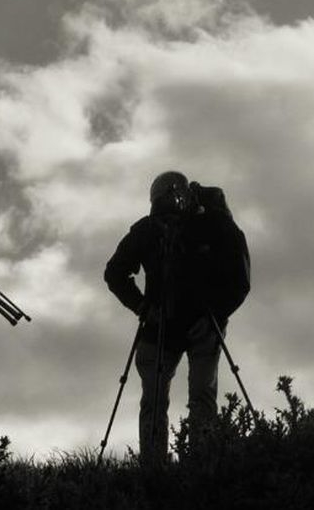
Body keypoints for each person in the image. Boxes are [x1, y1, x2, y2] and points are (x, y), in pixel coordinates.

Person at [104, 171, 250, 464]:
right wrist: (214, 314)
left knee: (156, 401)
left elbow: (115, 272)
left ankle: (156, 469)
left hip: (170, 326)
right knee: (201, 396)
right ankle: (200, 465)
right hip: (197, 324)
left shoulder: (150, 230)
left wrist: (142, 307)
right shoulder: (211, 225)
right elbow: (239, 279)